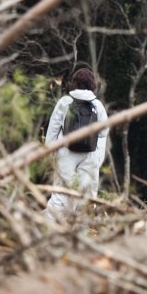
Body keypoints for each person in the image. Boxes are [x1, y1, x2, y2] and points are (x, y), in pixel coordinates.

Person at [43, 68, 109, 220]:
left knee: (60, 195)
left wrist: (49, 154)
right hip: (89, 156)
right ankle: (82, 233)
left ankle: (49, 229)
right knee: (85, 199)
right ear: (92, 84)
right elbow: (103, 133)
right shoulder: (97, 105)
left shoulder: (65, 102)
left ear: (74, 83)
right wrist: (98, 160)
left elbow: (52, 130)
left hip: (65, 154)